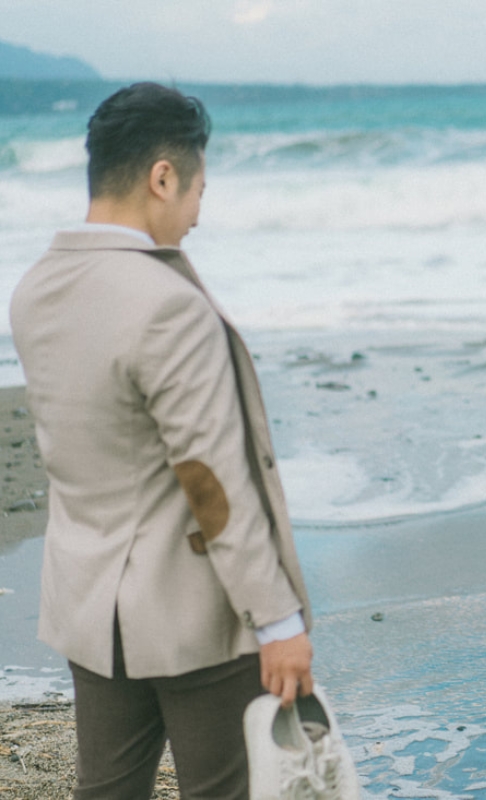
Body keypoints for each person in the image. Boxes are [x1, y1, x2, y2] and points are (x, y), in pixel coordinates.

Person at [9, 82, 314, 799]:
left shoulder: (34, 291)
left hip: (88, 608)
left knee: (107, 791)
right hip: (191, 618)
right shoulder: (168, 307)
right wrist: (278, 620)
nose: (198, 216)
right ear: (162, 177)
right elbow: (211, 483)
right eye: (199, 191)